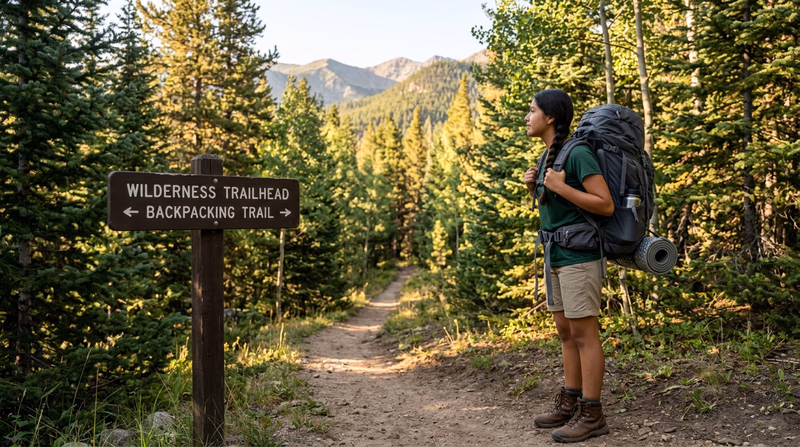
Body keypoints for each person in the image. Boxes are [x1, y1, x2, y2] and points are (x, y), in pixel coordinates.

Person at [522, 89, 613, 443]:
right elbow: (557, 204)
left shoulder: (577, 153)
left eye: (532, 110)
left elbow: (604, 205)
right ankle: (570, 401)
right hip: (556, 255)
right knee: (564, 331)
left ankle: (593, 414)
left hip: (579, 257)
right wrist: (537, 188)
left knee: (584, 334)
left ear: (551, 118)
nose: (527, 117)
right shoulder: (549, 155)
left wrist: (560, 186)